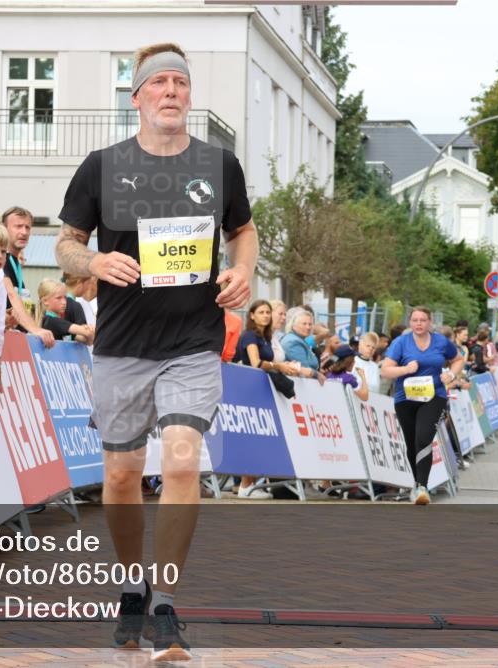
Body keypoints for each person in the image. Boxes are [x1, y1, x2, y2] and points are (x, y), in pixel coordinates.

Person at [54, 41, 257, 660]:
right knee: (119, 475)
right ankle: (131, 583)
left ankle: (166, 601)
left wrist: (244, 272)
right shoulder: (102, 165)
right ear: (137, 97)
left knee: (180, 461)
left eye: (180, 83)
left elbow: (241, 232)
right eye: (159, 83)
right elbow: (64, 243)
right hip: (121, 345)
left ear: (188, 96)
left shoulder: (219, 165)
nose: (171, 91)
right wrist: (92, 260)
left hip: (192, 343)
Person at [380, 306, 465, 505]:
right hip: (406, 399)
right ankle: (417, 484)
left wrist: (451, 374)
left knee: (423, 437)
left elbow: (458, 359)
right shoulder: (401, 342)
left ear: (429, 323)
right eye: (415, 320)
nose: (419, 324)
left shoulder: (441, 341)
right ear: (410, 323)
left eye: (423, 320)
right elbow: (385, 371)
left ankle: (422, 487)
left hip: (434, 396)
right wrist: (405, 369)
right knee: (411, 443)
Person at [234, 300, 300, 499]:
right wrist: (278, 366)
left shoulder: (265, 337)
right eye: (261, 312)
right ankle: (245, 486)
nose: (265, 315)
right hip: (247, 391)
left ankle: (253, 484)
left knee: (260, 439)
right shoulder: (249, 336)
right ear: (252, 315)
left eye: (267, 312)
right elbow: (255, 363)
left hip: (262, 390)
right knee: (250, 439)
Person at [0, 205, 56, 346]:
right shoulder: (0, 261)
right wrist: (35, 330)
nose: (24, 232)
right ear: (4, 228)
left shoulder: (15, 263)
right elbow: (12, 296)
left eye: (27, 227)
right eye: (18, 227)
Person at [36, 278, 95, 344]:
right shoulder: (52, 321)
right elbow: (86, 333)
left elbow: (88, 341)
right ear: (45, 301)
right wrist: (88, 329)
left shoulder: (60, 324)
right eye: (59, 298)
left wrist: (88, 332)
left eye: (65, 297)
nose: (64, 302)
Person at [280, 308, 326, 382]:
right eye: (304, 324)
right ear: (294, 325)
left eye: (310, 324)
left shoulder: (300, 339)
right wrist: (317, 374)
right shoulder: (293, 342)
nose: (308, 327)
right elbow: (305, 370)